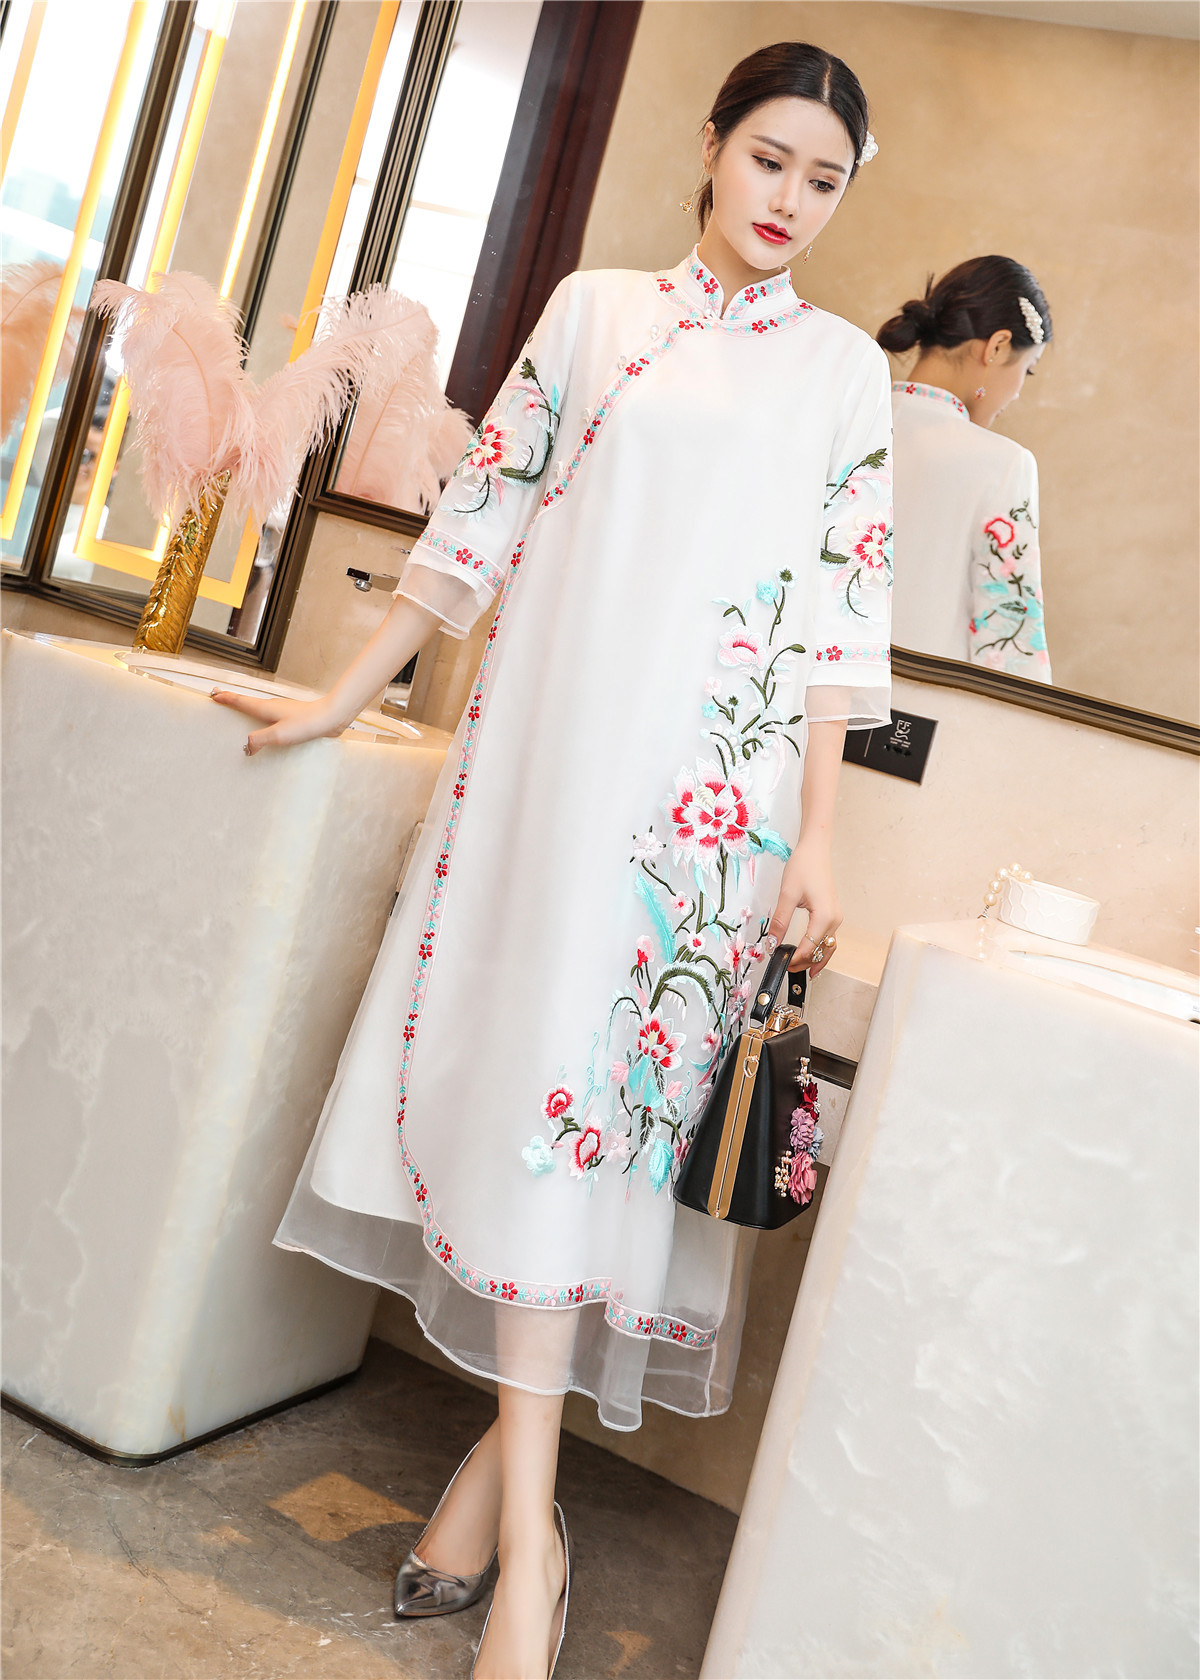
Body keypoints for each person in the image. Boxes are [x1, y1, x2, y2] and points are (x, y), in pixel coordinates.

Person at [212, 41, 892, 1680]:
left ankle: (511, 1523)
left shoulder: (844, 373)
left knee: (608, 1150)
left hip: (713, 825)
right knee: (539, 1121)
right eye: (771, 159)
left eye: (826, 180)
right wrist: (340, 697)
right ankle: (530, 1534)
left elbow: (837, 623)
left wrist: (817, 836)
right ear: (711, 146)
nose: (791, 199)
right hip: (548, 786)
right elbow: (479, 526)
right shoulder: (595, 314)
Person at [879, 255, 1052, 680]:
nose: (1016, 394)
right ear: (997, 347)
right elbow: (1011, 647)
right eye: (1027, 370)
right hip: (919, 715)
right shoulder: (1004, 465)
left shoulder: (844, 422)